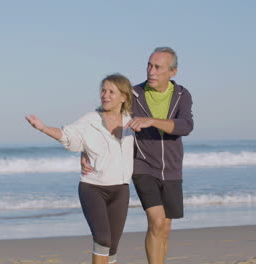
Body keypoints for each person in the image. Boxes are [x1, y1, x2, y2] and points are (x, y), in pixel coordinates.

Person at [82, 47, 194, 264]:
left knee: (164, 227)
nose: (151, 71)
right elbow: (103, 117)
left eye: (158, 67)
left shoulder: (182, 94)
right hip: (142, 165)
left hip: (172, 167)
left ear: (172, 72)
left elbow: (186, 126)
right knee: (157, 220)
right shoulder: (133, 94)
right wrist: (85, 151)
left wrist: (152, 121)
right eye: (149, 65)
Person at [26, 74, 134, 264]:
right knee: (102, 239)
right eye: (103, 90)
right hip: (93, 188)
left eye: (111, 91)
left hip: (121, 189)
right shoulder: (90, 119)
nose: (105, 95)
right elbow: (69, 136)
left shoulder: (131, 122)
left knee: (113, 246)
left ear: (124, 96)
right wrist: (43, 128)